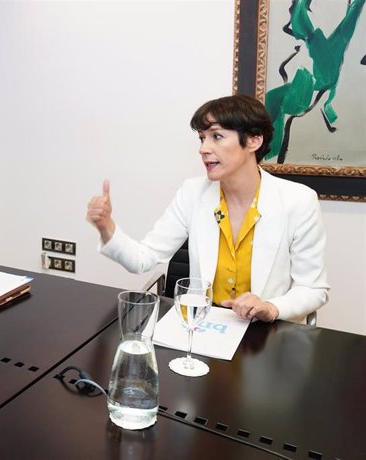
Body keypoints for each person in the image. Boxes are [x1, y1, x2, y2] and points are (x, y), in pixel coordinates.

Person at [86, 94, 329, 323]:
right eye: (202, 138)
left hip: (265, 332)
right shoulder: (192, 193)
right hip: (202, 325)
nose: (203, 148)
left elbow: (312, 288)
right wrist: (107, 227)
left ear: (254, 140)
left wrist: (273, 307)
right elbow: (143, 259)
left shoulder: (298, 201)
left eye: (217, 136)